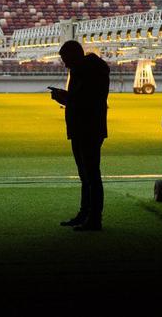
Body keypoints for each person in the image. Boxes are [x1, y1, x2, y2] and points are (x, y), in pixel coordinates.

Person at [50, 40, 109, 231]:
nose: (65, 64)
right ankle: (87, 215)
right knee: (88, 176)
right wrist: (67, 97)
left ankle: (93, 219)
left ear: (74, 55)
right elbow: (84, 98)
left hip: (86, 129)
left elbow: (83, 101)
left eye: (65, 59)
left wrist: (63, 98)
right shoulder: (91, 70)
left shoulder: (83, 72)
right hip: (87, 128)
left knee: (91, 176)